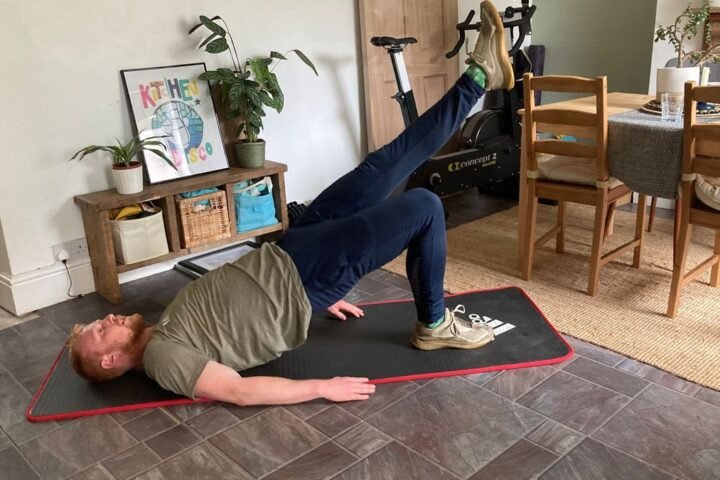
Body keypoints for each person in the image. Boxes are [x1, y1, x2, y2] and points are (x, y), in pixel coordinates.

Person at [68, 0, 514, 406]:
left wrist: (320, 303)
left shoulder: (163, 329)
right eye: (100, 331)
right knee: (424, 206)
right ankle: (434, 325)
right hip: (307, 274)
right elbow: (237, 391)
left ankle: (479, 75)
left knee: (385, 164)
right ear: (110, 361)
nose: (106, 319)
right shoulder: (164, 359)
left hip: (291, 250)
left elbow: (236, 311)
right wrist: (321, 387)